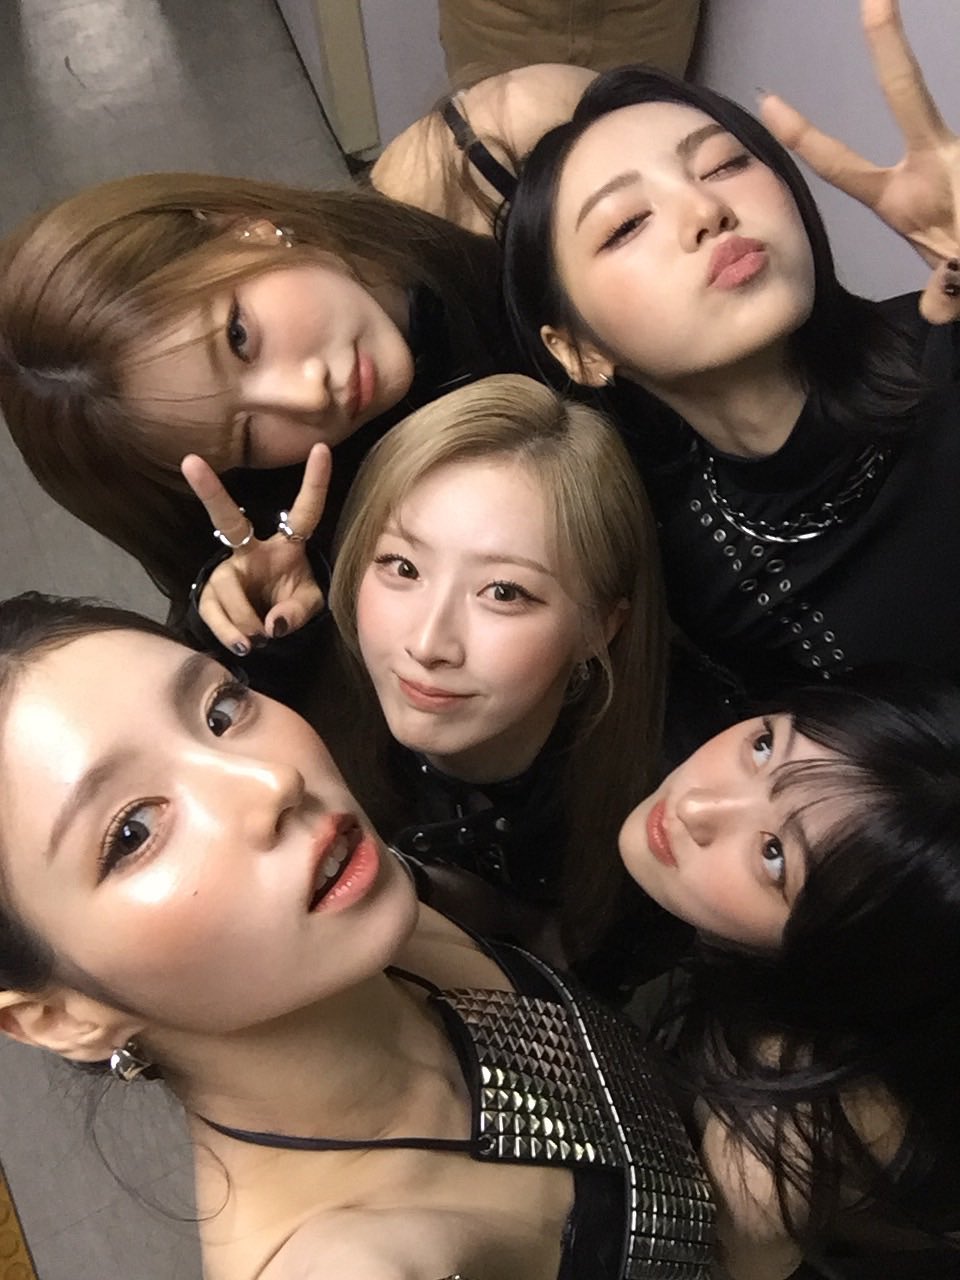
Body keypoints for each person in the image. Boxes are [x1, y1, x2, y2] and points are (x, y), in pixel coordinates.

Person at [0, 591, 714, 1280]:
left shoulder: (358, 905)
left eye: (220, 710)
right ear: (57, 1017)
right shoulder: (345, 1259)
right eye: (133, 832)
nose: (272, 781)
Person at [502, 0, 960, 696]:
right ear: (579, 351)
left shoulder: (946, 346)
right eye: (626, 224)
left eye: (722, 165)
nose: (706, 211)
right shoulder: (682, 570)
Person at [0, 172, 507, 651]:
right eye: (245, 438)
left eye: (238, 338)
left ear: (244, 227)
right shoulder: (326, 541)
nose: (308, 398)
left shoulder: (478, 171)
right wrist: (276, 639)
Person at [325, 374, 680, 988]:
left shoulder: (666, 814)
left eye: (504, 592)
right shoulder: (297, 704)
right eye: (402, 566)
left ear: (599, 627)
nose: (427, 644)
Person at [618, 667, 960, 1278]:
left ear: (841, 963)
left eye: (774, 855)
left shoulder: (765, 1153)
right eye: (764, 745)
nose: (695, 805)